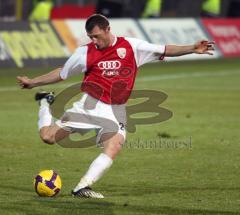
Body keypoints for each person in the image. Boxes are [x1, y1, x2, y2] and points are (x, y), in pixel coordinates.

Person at [17, 14, 215, 198]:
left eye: (96, 36)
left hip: (116, 109)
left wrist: (192, 48)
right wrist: (33, 82)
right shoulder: (85, 52)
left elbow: (164, 49)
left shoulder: (132, 47)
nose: (93, 41)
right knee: (48, 137)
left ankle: (82, 187)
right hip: (89, 106)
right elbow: (62, 73)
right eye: (90, 37)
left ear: (107, 29)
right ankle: (45, 101)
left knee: (114, 145)